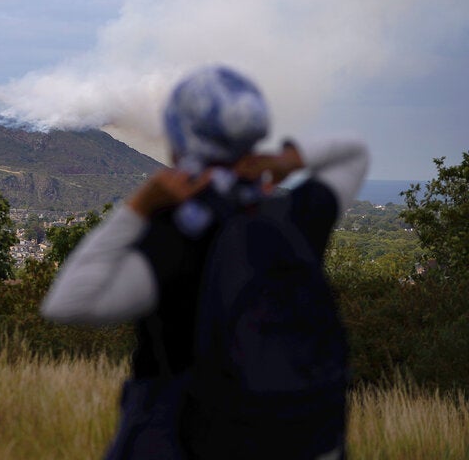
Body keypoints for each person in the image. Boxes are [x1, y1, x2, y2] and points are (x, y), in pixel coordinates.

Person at [41, 65, 369, 460]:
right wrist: (288, 159)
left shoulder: (175, 238)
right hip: (307, 439)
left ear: (179, 144)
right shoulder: (295, 218)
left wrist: (139, 206)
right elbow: (354, 153)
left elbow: (68, 302)